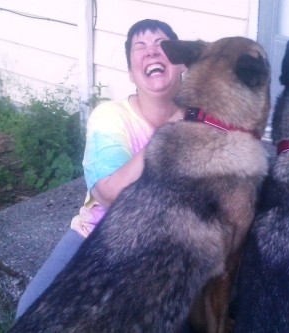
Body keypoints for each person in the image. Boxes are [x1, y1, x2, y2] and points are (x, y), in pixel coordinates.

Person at [15, 19, 185, 318]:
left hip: (165, 250)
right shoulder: (110, 117)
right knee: (30, 313)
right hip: (96, 235)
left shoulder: (203, 122)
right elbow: (108, 193)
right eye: (140, 48)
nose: (152, 53)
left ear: (182, 63)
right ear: (132, 73)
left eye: (162, 45)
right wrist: (171, 131)